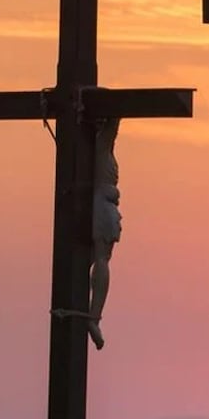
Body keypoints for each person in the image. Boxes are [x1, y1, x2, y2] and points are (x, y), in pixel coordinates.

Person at [88, 117, 122, 350]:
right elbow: (113, 125)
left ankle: (93, 315)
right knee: (101, 259)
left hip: (105, 206)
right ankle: (93, 317)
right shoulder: (99, 146)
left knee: (99, 259)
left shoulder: (103, 149)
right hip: (101, 206)